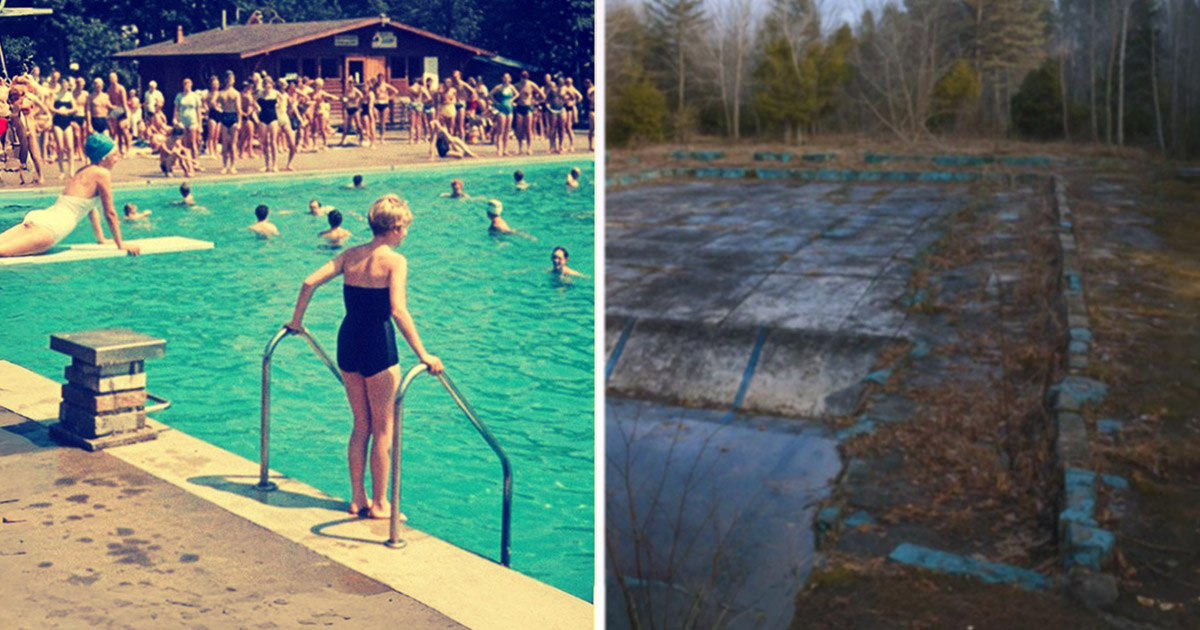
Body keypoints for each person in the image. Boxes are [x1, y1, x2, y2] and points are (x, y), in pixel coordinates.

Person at [285, 194, 444, 520]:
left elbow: (308, 281)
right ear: (396, 227)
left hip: (348, 341)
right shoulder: (395, 262)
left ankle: (358, 498)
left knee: (360, 425)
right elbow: (398, 311)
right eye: (406, 228)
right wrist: (424, 354)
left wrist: (297, 322)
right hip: (377, 344)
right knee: (383, 429)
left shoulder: (350, 255)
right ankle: (381, 504)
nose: (406, 234)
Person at [0, 134, 139, 257]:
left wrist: (101, 238)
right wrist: (120, 244)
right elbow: (110, 213)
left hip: (41, 218)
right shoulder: (102, 174)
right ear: (104, 157)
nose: (117, 158)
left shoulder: (83, 171)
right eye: (114, 155)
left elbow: (91, 208)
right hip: (52, 228)